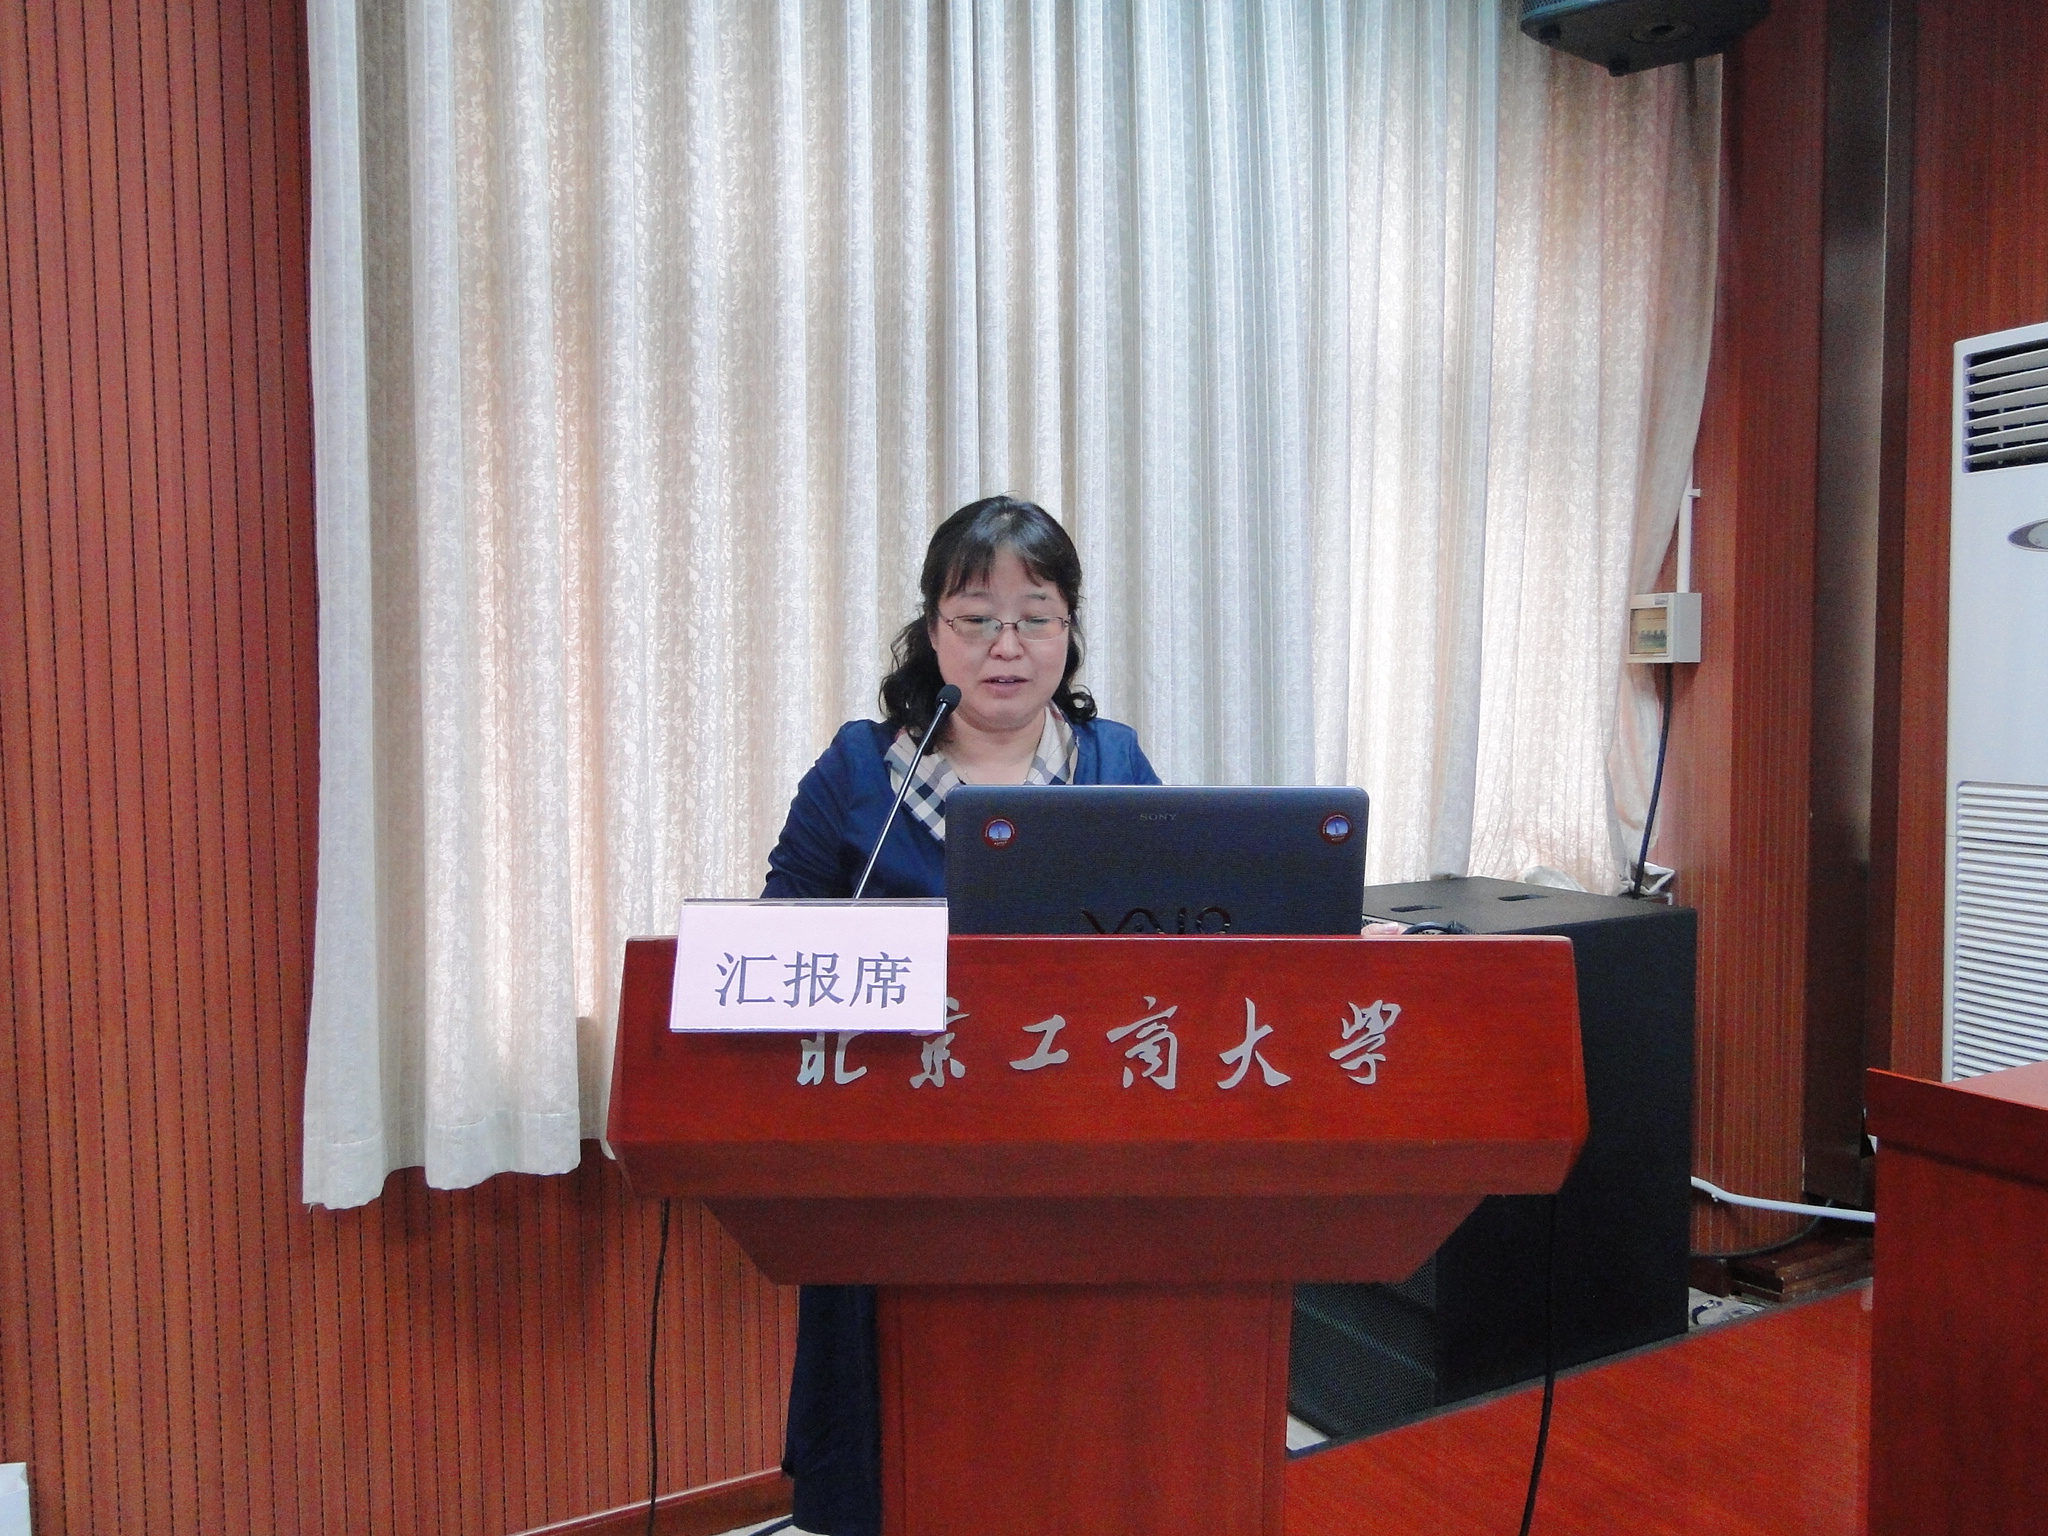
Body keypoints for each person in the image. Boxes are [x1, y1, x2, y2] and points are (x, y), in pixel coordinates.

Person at [761, 494, 1159, 1536]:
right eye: (976, 617)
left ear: (1069, 631)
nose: (1006, 645)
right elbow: (779, 940)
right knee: (895, 1439)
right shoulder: (861, 771)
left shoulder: (1111, 764)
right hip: (892, 1158)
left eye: (1035, 617)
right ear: (931, 631)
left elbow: (1178, 939)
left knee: (1055, 1436)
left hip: (1068, 1153)